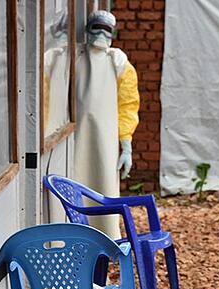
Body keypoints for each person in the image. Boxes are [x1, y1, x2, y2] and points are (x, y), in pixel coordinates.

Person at [74, 10, 139, 239]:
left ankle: (103, 241)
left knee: (103, 187)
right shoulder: (72, 58)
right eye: (97, 27)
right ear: (87, 29)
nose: (101, 33)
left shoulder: (119, 63)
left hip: (106, 143)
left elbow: (127, 105)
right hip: (75, 140)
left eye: (106, 29)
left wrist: (126, 143)